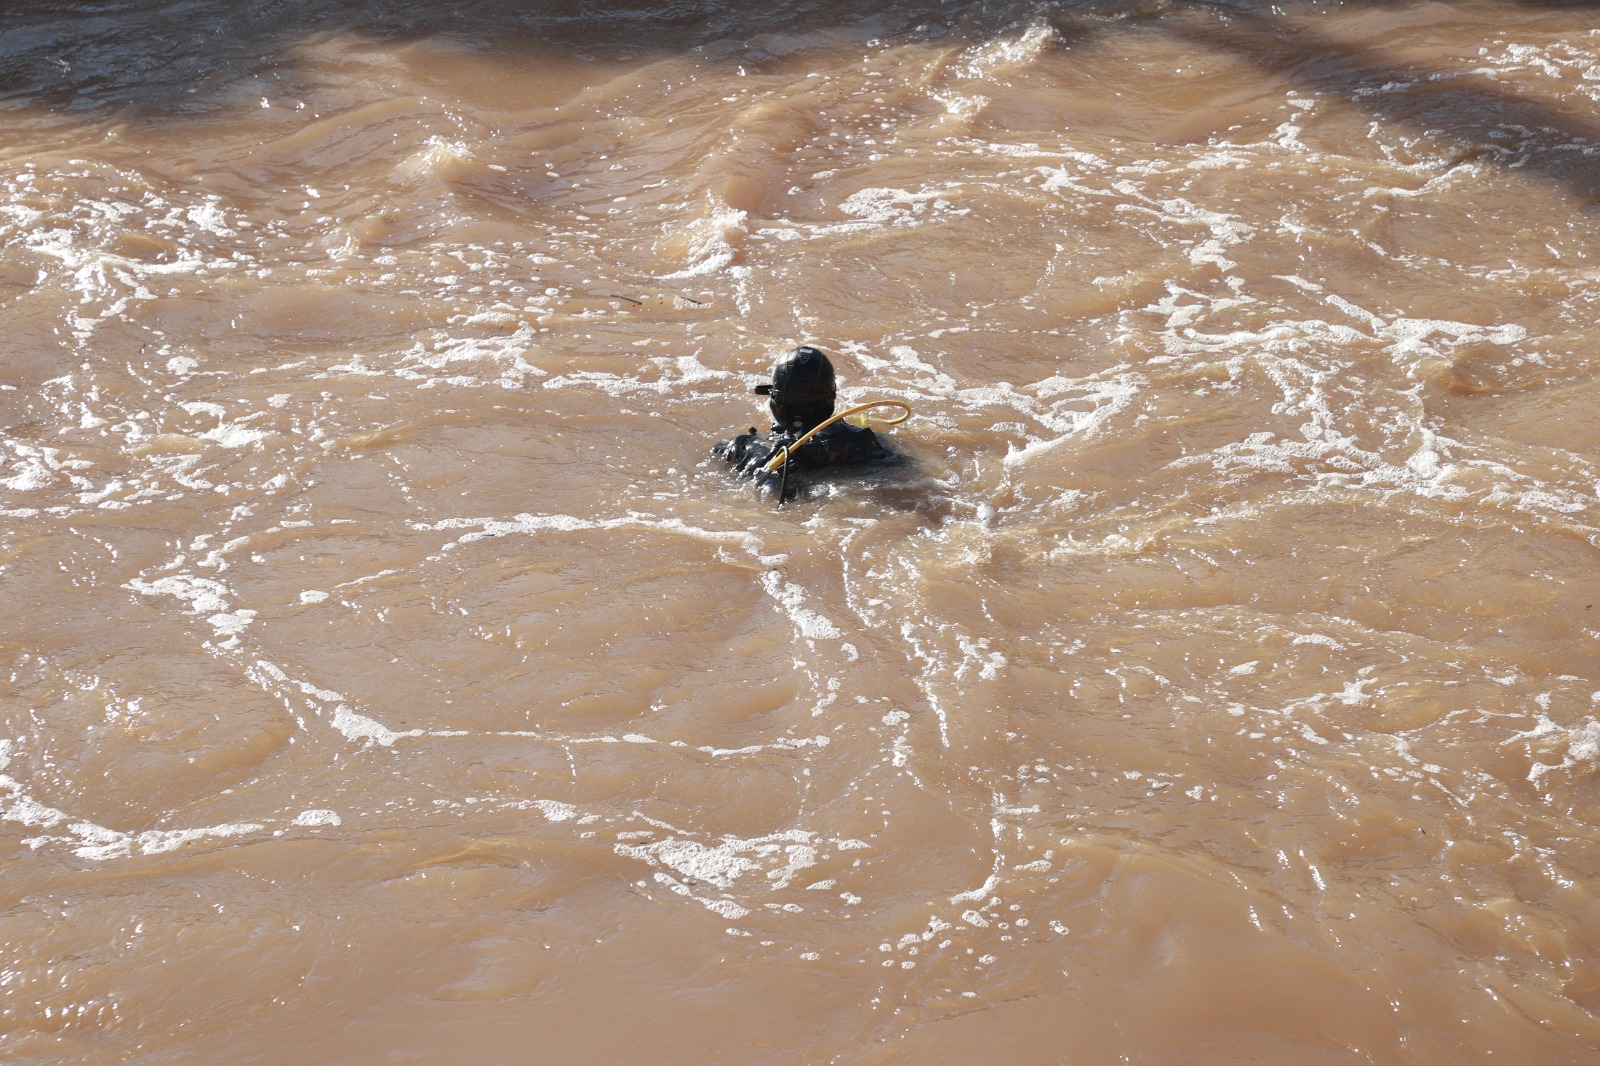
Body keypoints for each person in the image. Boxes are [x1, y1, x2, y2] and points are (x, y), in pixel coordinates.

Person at [713, 345, 889, 501]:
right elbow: (896, 468)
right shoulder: (863, 442)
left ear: (773, 398)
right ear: (832, 396)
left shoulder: (747, 448)